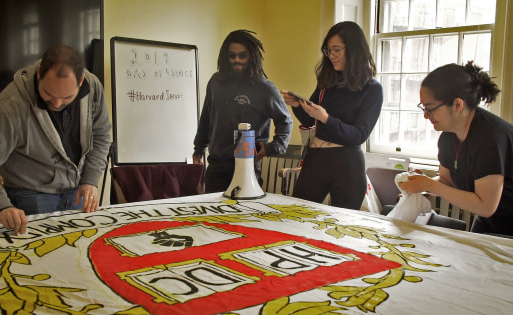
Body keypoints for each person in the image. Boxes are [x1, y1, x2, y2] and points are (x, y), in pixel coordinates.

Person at [0, 45, 112, 235]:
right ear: (39, 74)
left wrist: (90, 180)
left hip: (78, 190)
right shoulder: (11, 104)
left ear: (81, 81)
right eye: (48, 95)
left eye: (67, 98)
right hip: (30, 194)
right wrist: (0, 206)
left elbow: (101, 134)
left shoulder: (93, 87)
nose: (57, 104)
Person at [398, 61, 513, 237]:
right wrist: (420, 187)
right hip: (489, 220)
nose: (426, 116)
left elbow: (486, 206)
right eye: (423, 108)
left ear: (458, 105)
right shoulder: (448, 136)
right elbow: (446, 180)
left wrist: (430, 185)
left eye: (430, 109)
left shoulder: (489, 139)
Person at [281, 21, 382, 210]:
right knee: (297, 214)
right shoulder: (327, 82)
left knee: (341, 225)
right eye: (328, 51)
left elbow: (359, 135)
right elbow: (310, 120)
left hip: (348, 163)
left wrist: (326, 118)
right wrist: (297, 106)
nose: (332, 56)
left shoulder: (373, 89)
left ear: (354, 50)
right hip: (316, 157)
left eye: (337, 50)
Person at [193, 30, 293, 192]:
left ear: (252, 57)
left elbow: (285, 122)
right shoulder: (215, 82)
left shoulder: (264, 88)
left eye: (242, 56)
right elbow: (206, 118)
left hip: (247, 165)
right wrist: (198, 149)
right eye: (232, 56)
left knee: (244, 216)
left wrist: (269, 149)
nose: (237, 60)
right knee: (214, 215)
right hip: (217, 165)